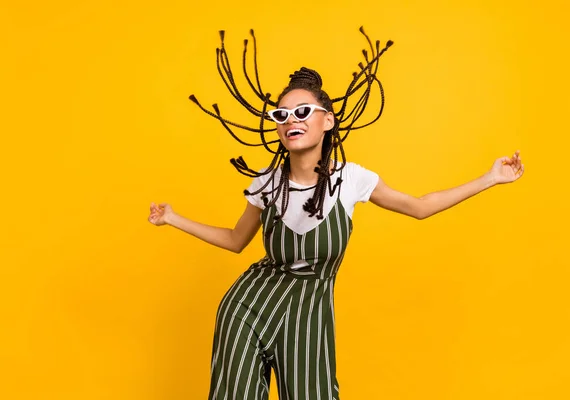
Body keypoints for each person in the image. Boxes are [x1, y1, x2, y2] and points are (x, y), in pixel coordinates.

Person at [148, 28, 524, 400]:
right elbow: (235, 240)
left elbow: (420, 207)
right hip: (248, 308)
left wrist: (490, 178)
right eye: (282, 114)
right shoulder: (266, 182)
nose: (291, 120)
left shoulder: (351, 180)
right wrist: (173, 218)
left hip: (308, 319)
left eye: (302, 111)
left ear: (327, 120)